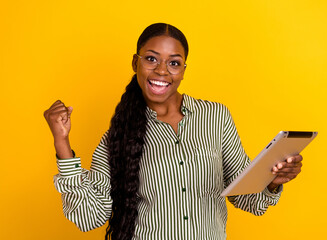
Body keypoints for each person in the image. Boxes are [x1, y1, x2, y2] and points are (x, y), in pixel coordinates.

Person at [44, 23, 303, 240]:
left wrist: (272, 182)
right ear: (136, 62)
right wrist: (62, 142)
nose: (161, 71)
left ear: (183, 71)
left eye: (174, 63)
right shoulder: (118, 137)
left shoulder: (216, 118)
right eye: (151, 58)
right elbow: (90, 217)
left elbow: (246, 198)